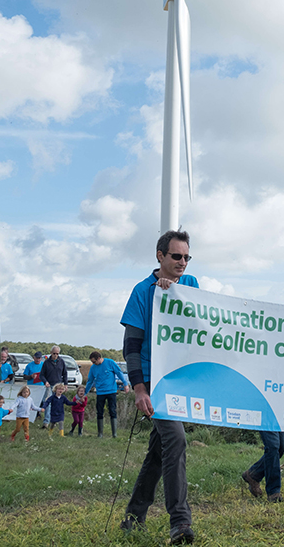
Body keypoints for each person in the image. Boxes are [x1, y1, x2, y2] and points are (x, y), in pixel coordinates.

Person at [119, 229, 200, 544]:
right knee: (176, 440)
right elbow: (132, 347)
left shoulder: (191, 285)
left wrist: (174, 294)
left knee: (159, 449)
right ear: (160, 256)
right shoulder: (142, 291)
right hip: (154, 380)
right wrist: (139, 388)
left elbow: (201, 322)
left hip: (180, 379)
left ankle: (134, 516)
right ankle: (180, 522)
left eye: (186, 257)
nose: (182, 262)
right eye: (176, 256)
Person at [84, 351, 126, 438]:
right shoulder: (93, 368)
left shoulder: (110, 363)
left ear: (99, 359)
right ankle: (100, 434)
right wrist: (85, 393)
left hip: (111, 391)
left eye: (94, 361)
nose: (93, 363)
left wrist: (125, 384)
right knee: (99, 412)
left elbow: (119, 372)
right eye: (92, 362)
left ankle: (114, 434)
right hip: (100, 392)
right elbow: (90, 381)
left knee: (112, 411)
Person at [40, 346, 68, 425]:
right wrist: (45, 382)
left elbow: (65, 373)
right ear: (51, 353)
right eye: (54, 353)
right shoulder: (46, 362)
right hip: (49, 385)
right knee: (47, 402)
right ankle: (46, 421)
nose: (55, 355)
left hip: (58, 386)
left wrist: (65, 384)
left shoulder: (61, 362)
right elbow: (41, 375)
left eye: (57, 353)